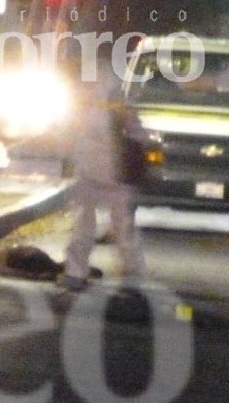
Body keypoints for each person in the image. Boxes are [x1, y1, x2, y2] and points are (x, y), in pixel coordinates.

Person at [57, 63, 145, 291]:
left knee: (90, 221)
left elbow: (68, 128)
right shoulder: (113, 85)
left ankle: (77, 272)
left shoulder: (91, 87)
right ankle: (131, 276)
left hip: (101, 166)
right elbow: (132, 123)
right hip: (109, 167)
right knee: (117, 223)